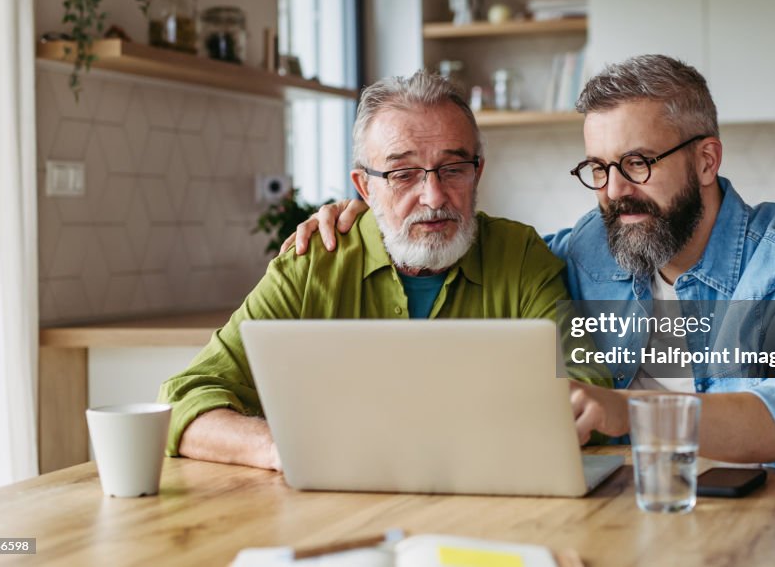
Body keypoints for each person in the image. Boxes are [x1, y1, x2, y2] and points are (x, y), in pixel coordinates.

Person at [288, 55, 775, 565]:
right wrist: (374, 212)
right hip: (637, 538)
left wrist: (626, 411)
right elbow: (477, 252)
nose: (614, 192)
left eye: (638, 163)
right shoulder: (592, 245)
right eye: (599, 168)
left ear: (706, 160)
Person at [158, 70, 606, 471]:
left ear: (478, 173)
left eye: (453, 169)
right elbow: (183, 399)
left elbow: (587, 391)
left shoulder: (520, 255)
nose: (433, 196)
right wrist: (282, 449)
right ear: (364, 187)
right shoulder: (314, 262)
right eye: (403, 174)